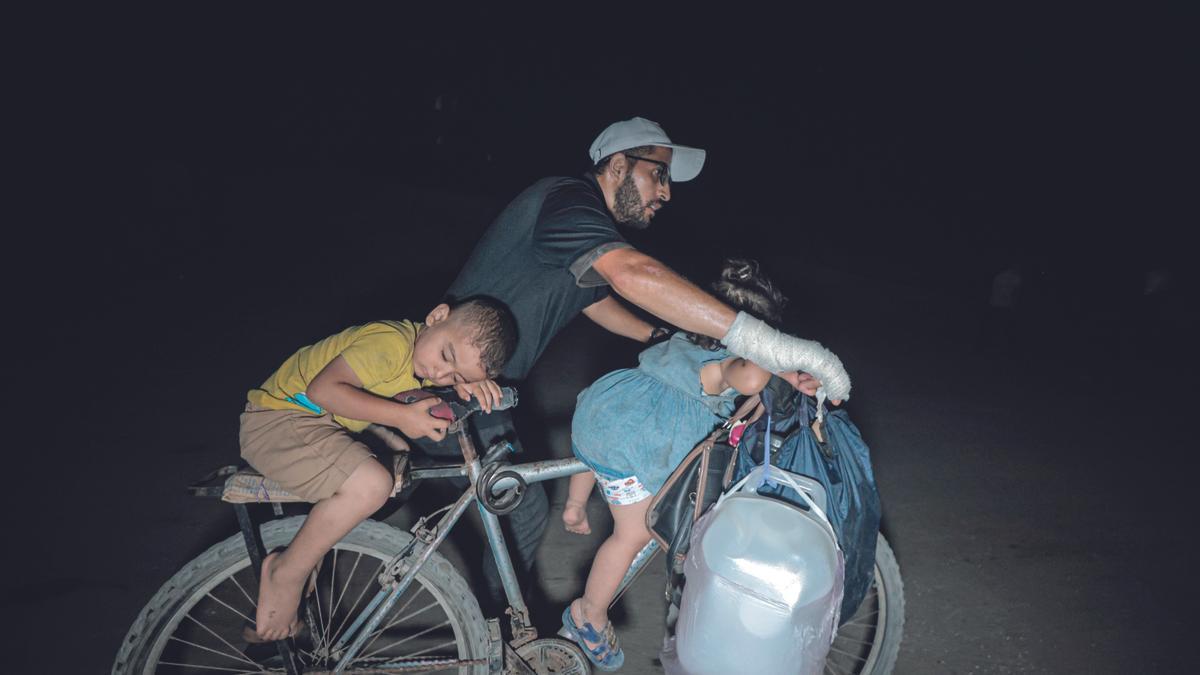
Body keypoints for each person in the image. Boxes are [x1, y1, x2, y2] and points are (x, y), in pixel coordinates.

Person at [417, 116, 852, 613]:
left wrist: (662, 335)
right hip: (448, 380)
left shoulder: (580, 228)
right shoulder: (565, 199)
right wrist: (772, 344)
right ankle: (493, 640)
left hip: (486, 389)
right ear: (618, 165)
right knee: (521, 512)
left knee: (491, 495)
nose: (666, 193)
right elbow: (630, 273)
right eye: (658, 174)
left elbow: (591, 299)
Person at [557, 259, 810, 669]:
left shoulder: (685, 338)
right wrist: (772, 348)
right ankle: (589, 612)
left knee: (601, 453)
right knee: (632, 533)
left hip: (606, 411)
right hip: (636, 438)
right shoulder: (729, 360)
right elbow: (750, 380)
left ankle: (575, 501)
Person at [238, 298, 516, 641]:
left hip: (312, 423)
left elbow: (419, 380)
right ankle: (286, 574)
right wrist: (401, 418)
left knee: (394, 461)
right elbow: (322, 390)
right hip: (276, 422)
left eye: (456, 375)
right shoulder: (389, 343)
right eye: (446, 357)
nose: (440, 374)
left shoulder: (421, 356)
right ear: (436, 315)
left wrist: (463, 383)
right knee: (372, 485)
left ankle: (304, 562)